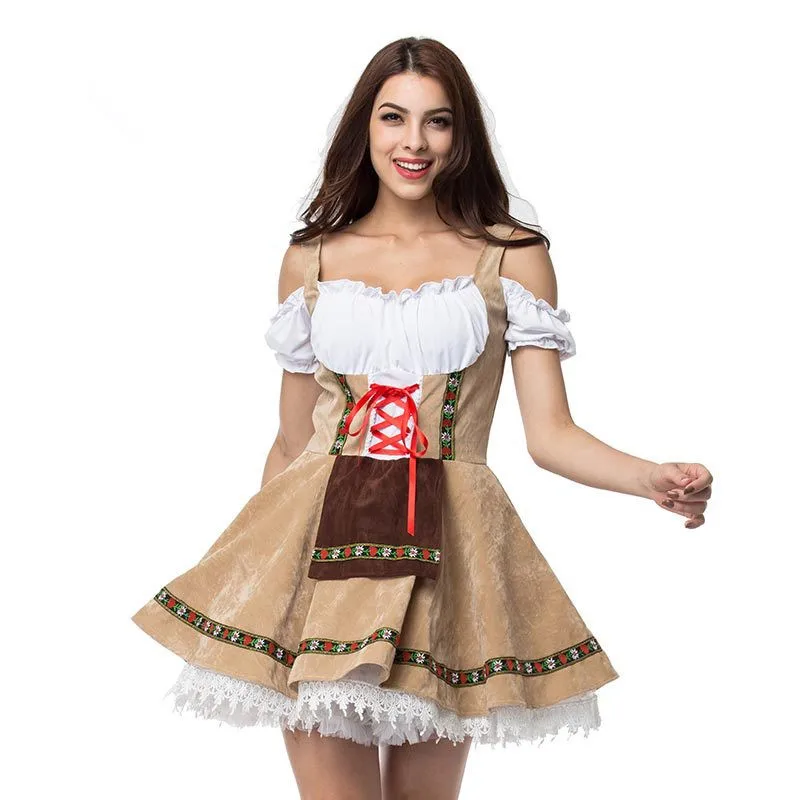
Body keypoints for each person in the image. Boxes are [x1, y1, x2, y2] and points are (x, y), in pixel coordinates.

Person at [131, 36, 713, 799]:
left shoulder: (511, 255)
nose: (414, 142)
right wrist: (259, 579)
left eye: (436, 121)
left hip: (448, 553)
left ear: (460, 133)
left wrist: (650, 478)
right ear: (364, 127)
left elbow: (550, 435)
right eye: (393, 117)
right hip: (321, 550)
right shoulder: (311, 257)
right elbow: (292, 440)